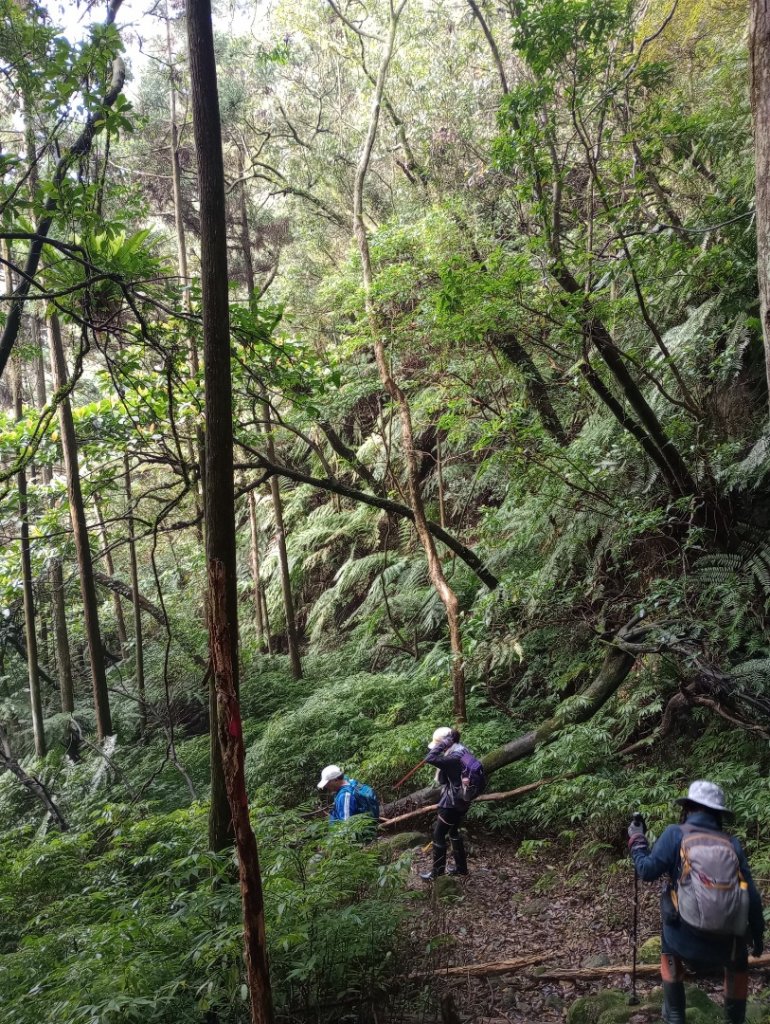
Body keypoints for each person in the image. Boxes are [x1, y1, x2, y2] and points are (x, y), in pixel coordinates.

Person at [628, 780, 764, 1024]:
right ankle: (734, 1020)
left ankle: (676, 1016)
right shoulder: (731, 844)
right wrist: (758, 938)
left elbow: (647, 871)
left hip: (684, 941)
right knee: (738, 959)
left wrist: (637, 840)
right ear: (718, 814)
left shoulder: (675, 834)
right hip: (727, 946)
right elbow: (751, 894)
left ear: (688, 807)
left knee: (668, 916)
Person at [419, 726, 485, 881]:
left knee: (438, 834)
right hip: (463, 800)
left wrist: (442, 744)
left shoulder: (452, 757)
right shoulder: (463, 750)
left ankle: (437, 874)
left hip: (451, 803)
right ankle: (461, 869)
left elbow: (429, 758)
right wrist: (447, 743)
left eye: (439, 745)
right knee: (453, 832)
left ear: (447, 742)